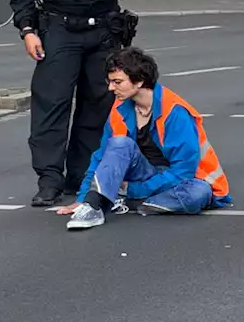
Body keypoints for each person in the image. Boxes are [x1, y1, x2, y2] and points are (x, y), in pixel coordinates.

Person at [11, 0, 150, 208]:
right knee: (51, 104)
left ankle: (81, 175)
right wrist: (28, 30)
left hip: (103, 28)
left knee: (97, 104)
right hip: (57, 28)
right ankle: (49, 180)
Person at [57, 47, 232, 230]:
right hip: (144, 173)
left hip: (178, 179)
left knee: (198, 193)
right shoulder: (120, 107)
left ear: (139, 81)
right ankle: (96, 206)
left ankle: (128, 199)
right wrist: (84, 198)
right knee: (118, 143)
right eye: (110, 82)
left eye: (117, 82)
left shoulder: (175, 112)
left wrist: (133, 190)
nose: (110, 88)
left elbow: (182, 171)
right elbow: (101, 156)